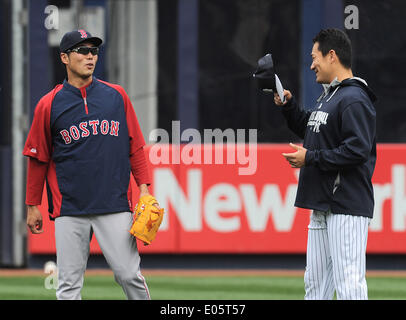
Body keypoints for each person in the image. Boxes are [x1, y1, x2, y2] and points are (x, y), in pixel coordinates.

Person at [23, 29, 157, 300]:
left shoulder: (116, 96)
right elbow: (39, 158)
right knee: (69, 286)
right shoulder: (48, 105)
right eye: (82, 51)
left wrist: (144, 187)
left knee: (129, 275)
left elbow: (136, 147)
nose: (90, 56)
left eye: (94, 51)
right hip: (69, 207)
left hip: (114, 204)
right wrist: (32, 205)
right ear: (64, 57)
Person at [274, 28, 377, 300]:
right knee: (315, 289)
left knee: (349, 287)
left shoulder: (354, 98)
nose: (311, 65)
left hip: (346, 205)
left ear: (332, 56)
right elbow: (313, 130)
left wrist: (310, 158)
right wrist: (289, 107)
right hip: (322, 204)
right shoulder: (331, 96)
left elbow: (357, 151)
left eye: (314, 57)